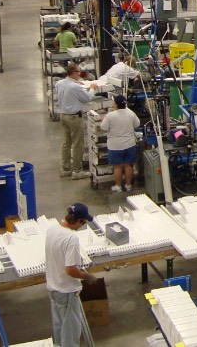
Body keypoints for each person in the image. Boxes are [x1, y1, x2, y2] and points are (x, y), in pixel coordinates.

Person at [45, 203, 97, 347]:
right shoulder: (71, 239)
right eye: (84, 222)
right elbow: (70, 270)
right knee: (70, 335)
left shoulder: (52, 229)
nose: (83, 225)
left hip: (53, 288)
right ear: (79, 220)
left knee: (59, 330)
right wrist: (85, 276)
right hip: (66, 291)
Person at [55, 64, 98, 179]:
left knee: (66, 143)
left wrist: (76, 85)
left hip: (64, 116)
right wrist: (92, 88)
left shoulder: (60, 83)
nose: (80, 74)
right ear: (74, 72)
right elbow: (88, 97)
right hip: (74, 117)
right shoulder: (74, 87)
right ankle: (77, 171)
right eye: (78, 72)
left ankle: (65, 169)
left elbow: (67, 90)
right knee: (78, 144)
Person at [99, 95, 139, 193]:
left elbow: (103, 127)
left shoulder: (111, 115)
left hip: (115, 146)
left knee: (117, 166)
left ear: (116, 104)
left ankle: (118, 186)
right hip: (130, 144)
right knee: (128, 165)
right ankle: (128, 185)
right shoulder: (130, 113)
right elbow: (137, 124)